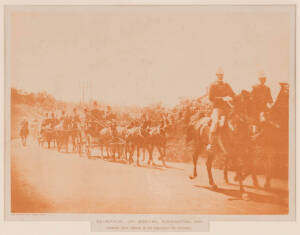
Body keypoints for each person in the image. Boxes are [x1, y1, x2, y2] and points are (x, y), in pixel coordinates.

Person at [208, 67, 235, 145]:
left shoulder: (226, 85)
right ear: (216, 75)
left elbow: (233, 94)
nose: (220, 76)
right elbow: (211, 98)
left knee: (235, 121)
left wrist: (232, 97)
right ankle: (211, 144)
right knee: (215, 122)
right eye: (219, 75)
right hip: (218, 108)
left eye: (222, 75)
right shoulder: (212, 85)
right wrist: (222, 98)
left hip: (228, 108)